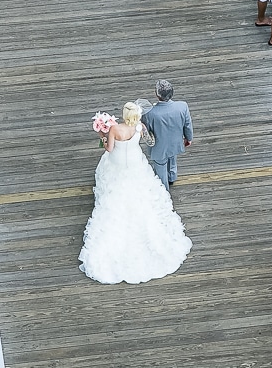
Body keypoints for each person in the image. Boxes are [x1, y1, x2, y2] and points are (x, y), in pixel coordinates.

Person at [79, 100, 192, 284]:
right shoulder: (140, 127)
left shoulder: (115, 130)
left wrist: (102, 135)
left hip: (118, 163)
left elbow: (109, 148)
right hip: (134, 161)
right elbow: (150, 140)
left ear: (124, 115)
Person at [141, 80, 194, 189]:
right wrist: (189, 138)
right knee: (172, 158)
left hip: (159, 147)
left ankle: (164, 191)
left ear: (157, 95)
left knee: (160, 169)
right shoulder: (182, 106)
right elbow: (187, 125)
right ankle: (172, 177)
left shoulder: (150, 113)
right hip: (175, 143)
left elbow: (147, 131)